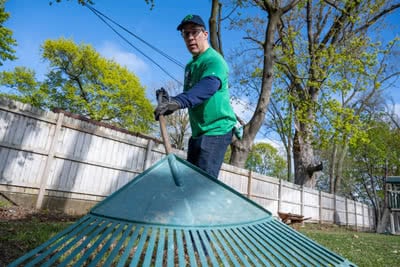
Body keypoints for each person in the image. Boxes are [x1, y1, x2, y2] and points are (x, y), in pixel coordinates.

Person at [154, 14, 237, 178]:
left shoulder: (214, 60)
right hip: (199, 132)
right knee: (191, 180)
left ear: (205, 34)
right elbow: (192, 94)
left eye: (195, 32)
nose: (190, 37)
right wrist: (168, 103)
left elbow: (207, 87)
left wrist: (177, 102)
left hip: (217, 130)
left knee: (201, 184)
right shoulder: (191, 65)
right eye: (186, 33)